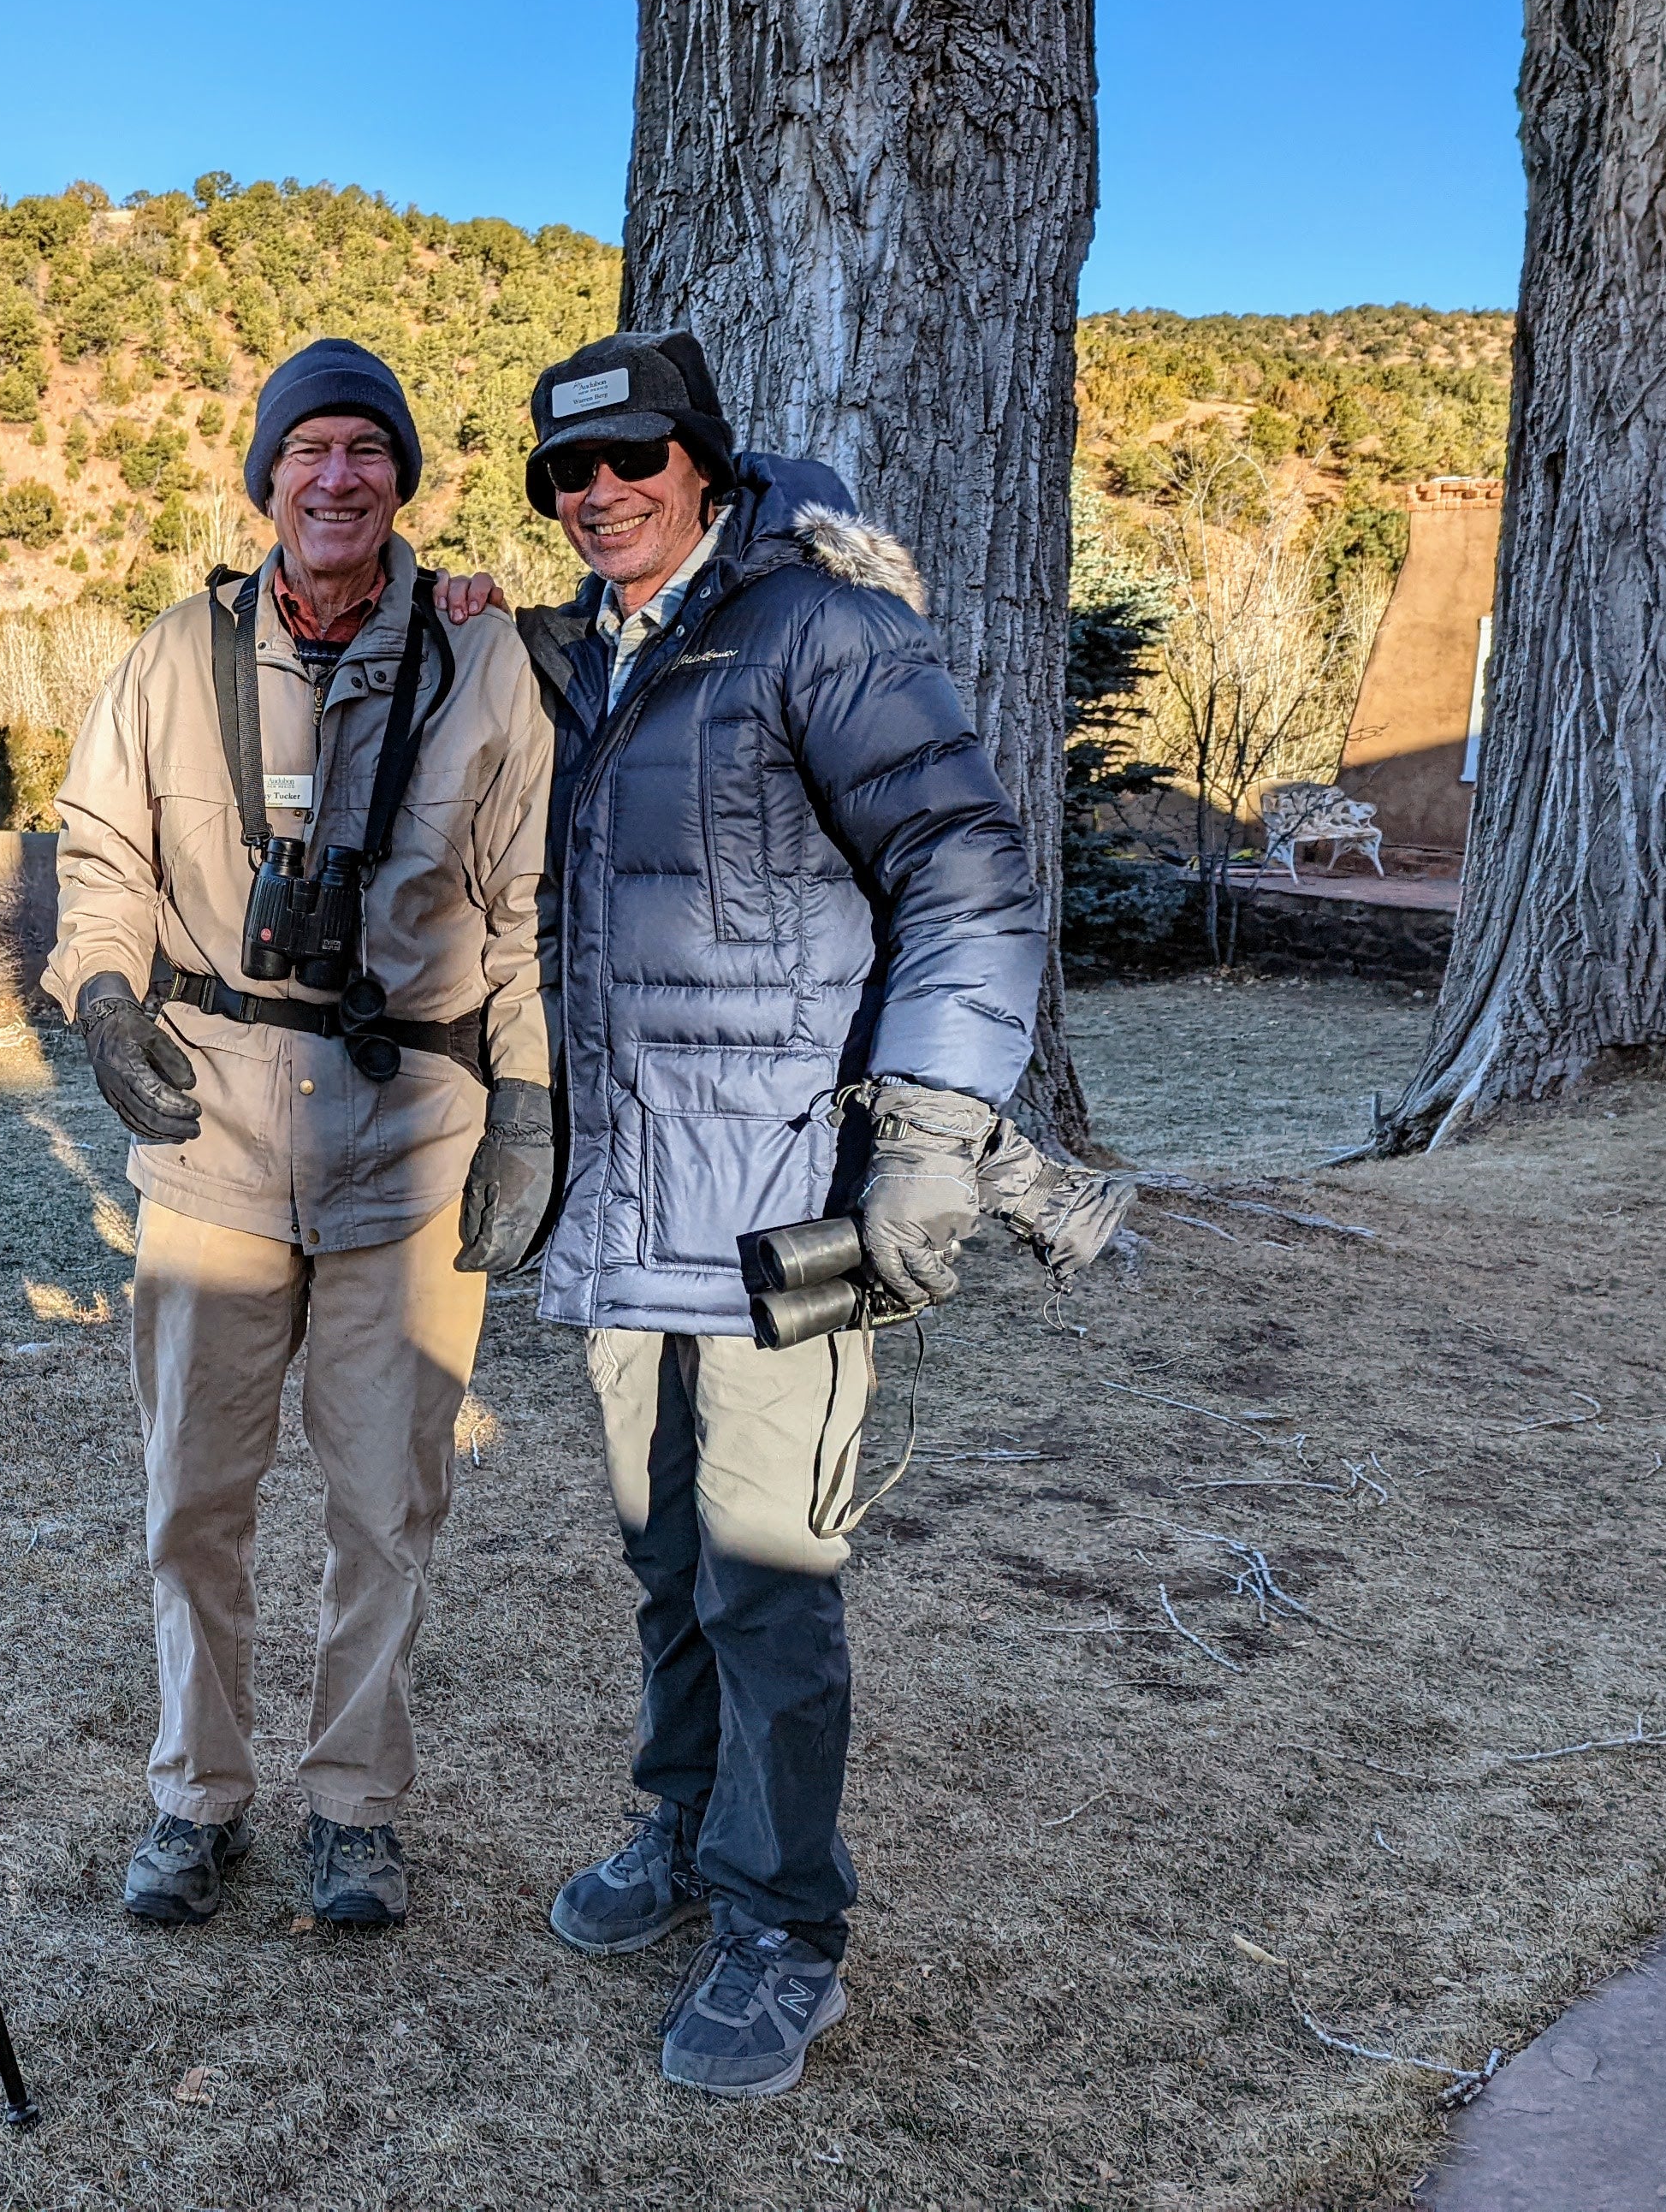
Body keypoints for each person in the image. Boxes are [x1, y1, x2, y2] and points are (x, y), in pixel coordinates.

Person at [504, 330, 1043, 2097]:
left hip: (781, 1210)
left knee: (769, 1578)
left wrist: (932, 1135)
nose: (600, 496)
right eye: (567, 477)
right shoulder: (579, 660)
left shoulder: (820, 629)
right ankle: (679, 1830)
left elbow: (964, 876)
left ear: (705, 459)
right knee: (664, 1561)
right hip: (617, 1214)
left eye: (631, 460)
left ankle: (781, 1924)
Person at [46, 337, 559, 1931]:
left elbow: (528, 907)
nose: (336, 478)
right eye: (307, 451)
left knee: (384, 1505)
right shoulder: (166, 657)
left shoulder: (483, 659)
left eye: (366, 450)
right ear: (263, 477)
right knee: (191, 1497)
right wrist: (107, 999)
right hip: (209, 1144)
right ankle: (196, 1795)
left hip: (409, 1143)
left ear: (404, 477)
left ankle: (352, 1806)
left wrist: (529, 1104)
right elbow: (98, 851)